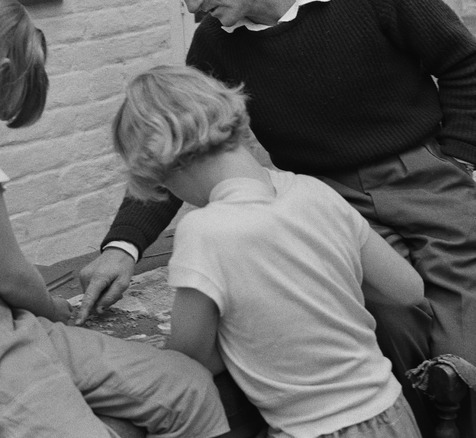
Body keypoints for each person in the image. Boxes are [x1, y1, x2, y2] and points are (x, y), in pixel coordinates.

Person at [77, 0, 476, 434]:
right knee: (392, 321)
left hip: (424, 170)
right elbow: (179, 145)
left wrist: (459, 156)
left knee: (463, 325)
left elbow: (465, 62)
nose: (192, 6)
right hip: (326, 191)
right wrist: (123, 246)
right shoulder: (215, 42)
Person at [0, 1, 230, 437]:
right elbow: (11, 275)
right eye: (5, 103)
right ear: (1, 71)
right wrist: (55, 308)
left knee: (182, 383)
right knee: (186, 390)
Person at [111, 63, 423, 437]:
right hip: (392, 413)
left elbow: (191, 358)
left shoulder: (203, 231)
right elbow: (408, 289)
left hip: (312, 430)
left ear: (167, 164)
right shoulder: (313, 190)